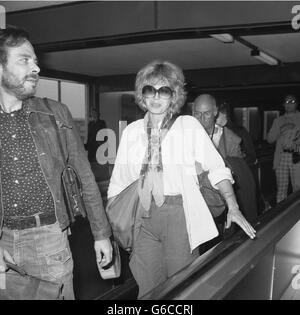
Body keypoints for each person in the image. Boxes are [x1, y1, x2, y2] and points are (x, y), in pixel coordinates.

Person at [107, 60, 256, 298]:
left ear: (173, 96)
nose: (156, 97)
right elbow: (119, 183)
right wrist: (113, 225)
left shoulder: (188, 126)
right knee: (147, 288)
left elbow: (217, 168)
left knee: (182, 287)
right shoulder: (132, 132)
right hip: (143, 219)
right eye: (149, 90)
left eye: (163, 90)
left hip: (178, 215)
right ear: (142, 96)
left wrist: (233, 206)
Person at [0, 27, 112, 300]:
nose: (36, 67)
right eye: (25, 60)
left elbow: (85, 177)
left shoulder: (55, 114)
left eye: (36, 60)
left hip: (49, 239)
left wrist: (101, 234)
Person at [193, 94, 258, 224]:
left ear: (215, 112)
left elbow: (240, 175)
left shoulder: (230, 139)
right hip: (195, 202)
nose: (201, 119)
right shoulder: (185, 136)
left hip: (220, 201)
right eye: (197, 114)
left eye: (206, 114)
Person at [267, 94, 300, 203]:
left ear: (296, 104)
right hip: (281, 157)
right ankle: (280, 215)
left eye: (292, 102)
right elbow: (270, 139)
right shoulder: (278, 120)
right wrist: (281, 130)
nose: (289, 104)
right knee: (281, 189)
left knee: (298, 188)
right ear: (283, 105)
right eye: (286, 102)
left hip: (297, 156)